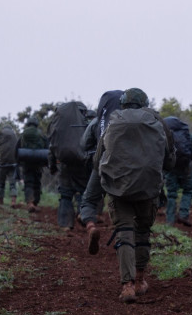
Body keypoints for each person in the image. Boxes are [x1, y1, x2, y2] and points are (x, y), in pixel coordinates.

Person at [93, 88, 175, 303]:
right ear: (145, 103)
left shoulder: (113, 121)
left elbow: (98, 158)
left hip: (118, 188)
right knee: (142, 233)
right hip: (148, 188)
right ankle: (140, 280)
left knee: (125, 232)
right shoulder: (157, 120)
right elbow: (170, 159)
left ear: (123, 103)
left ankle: (127, 286)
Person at [79, 90, 124, 254]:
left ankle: (91, 226)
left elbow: (84, 144)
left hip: (101, 165)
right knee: (122, 205)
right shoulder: (132, 122)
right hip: (125, 170)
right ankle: (124, 242)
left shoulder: (98, 121)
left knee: (89, 201)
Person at [48, 101, 92, 231]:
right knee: (83, 191)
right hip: (81, 162)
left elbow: (52, 147)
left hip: (63, 164)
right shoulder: (86, 124)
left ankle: (66, 224)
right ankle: (82, 214)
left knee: (65, 193)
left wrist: (52, 166)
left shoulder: (59, 126)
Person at [162, 116, 192, 226]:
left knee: (171, 194)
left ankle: (170, 220)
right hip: (186, 166)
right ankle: (183, 215)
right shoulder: (186, 134)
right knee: (187, 191)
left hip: (171, 167)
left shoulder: (165, 136)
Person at [17, 116, 48, 213]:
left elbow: (17, 147)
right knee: (37, 183)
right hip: (38, 162)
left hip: (26, 162)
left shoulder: (23, 134)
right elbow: (47, 147)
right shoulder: (41, 134)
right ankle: (35, 203)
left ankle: (30, 202)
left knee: (28, 183)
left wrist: (19, 161)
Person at [0, 124, 18, 206]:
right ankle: (13, 201)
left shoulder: (0, 135)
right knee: (12, 184)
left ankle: (1, 202)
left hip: (1, 164)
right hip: (12, 164)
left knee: (1, 184)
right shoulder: (14, 136)